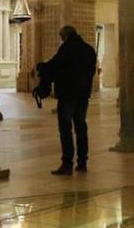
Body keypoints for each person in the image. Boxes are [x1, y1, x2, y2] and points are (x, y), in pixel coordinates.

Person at [35, 26, 97, 175]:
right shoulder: (89, 49)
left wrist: (40, 67)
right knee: (81, 127)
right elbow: (91, 71)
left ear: (66, 36)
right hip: (83, 95)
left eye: (61, 37)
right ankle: (82, 162)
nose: (61, 39)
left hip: (68, 94)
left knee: (65, 129)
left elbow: (54, 66)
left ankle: (67, 164)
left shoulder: (67, 49)